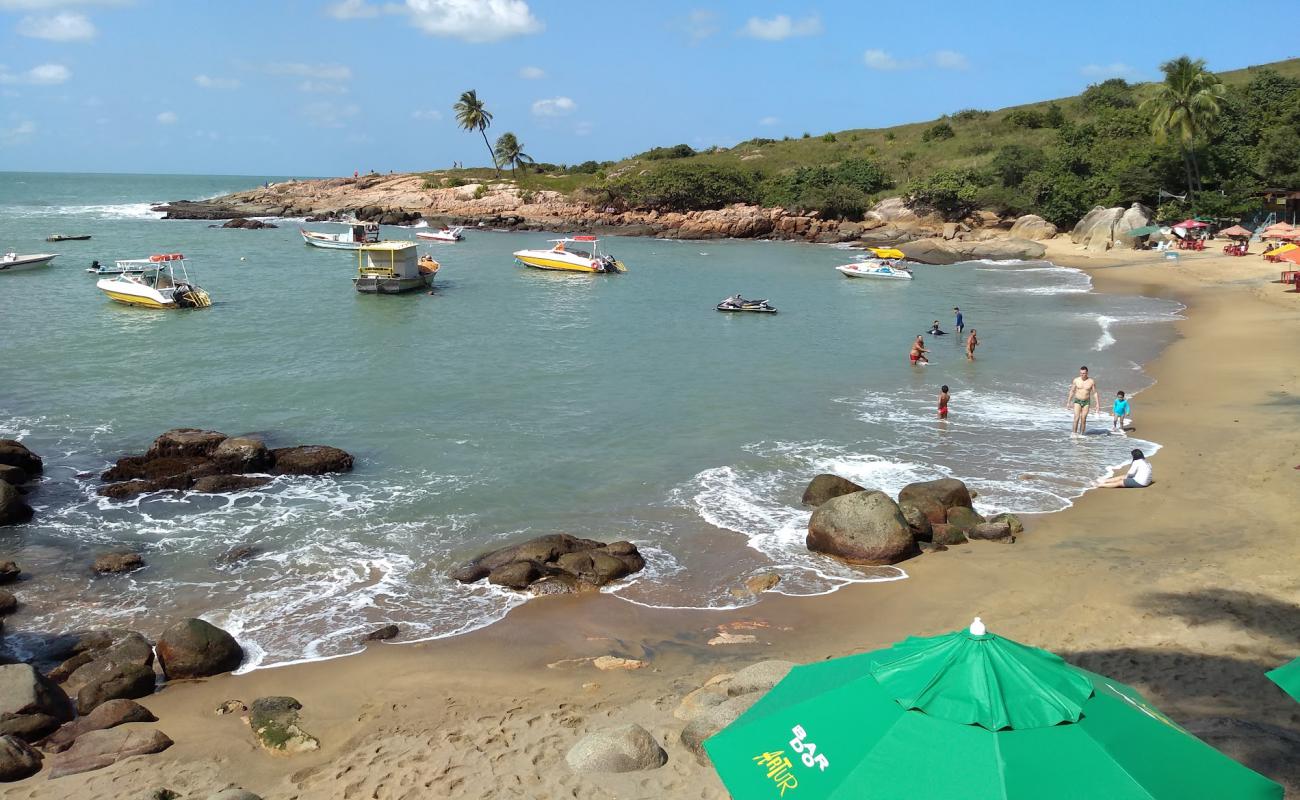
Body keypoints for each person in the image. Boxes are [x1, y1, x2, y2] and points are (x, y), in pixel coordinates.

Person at [1066, 365, 1098, 435]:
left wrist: (1097, 404)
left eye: (1084, 373)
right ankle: (1074, 434)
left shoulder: (1091, 381)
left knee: (1083, 419)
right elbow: (1072, 391)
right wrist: (1068, 402)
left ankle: (1081, 434)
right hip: (1077, 401)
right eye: (1081, 373)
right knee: (1076, 418)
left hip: (1086, 402)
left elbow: (1095, 393)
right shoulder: (1076, 380)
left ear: (1087, 373)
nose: (1082, 375)